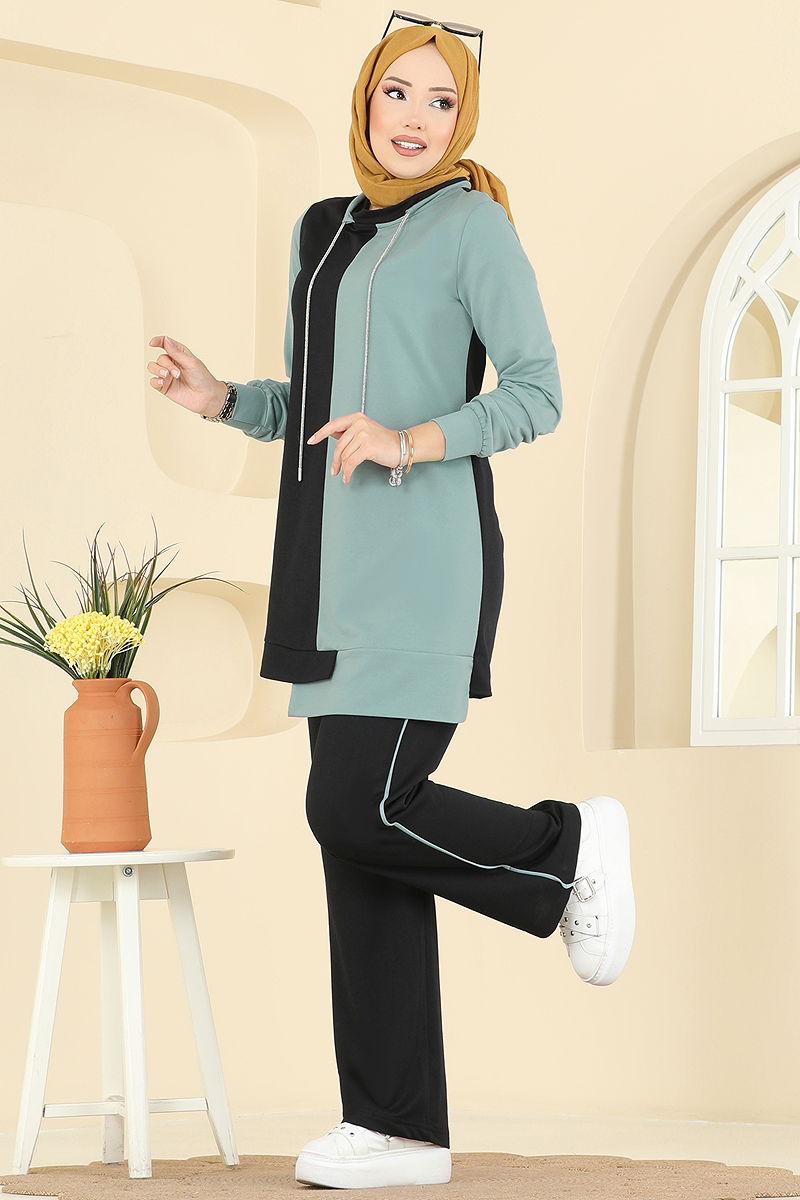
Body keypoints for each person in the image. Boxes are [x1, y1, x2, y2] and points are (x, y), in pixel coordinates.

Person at [146, 19, 635, 1191]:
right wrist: (222, 399)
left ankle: (564, 849)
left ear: (464, 121)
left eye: (441, 102)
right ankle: (395, 1127)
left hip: (425, 562)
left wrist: (413, 439)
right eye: (398, 94)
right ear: (365, 99)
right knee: (360, 850)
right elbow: (312, 405)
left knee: (358, 806)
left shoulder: (473, 227)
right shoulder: (325, 229)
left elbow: (535, 394)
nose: (416, 119)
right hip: (326, 570)